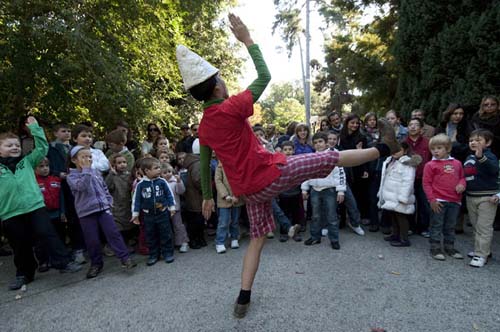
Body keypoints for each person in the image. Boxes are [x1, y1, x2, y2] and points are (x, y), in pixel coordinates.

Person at [176, 13, 399, 318]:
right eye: (221, 78)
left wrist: (206, 197)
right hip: (270, 174)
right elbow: (265, 76)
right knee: (328, 157)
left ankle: (243, 298)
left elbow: (203, 161)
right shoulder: (230, 107)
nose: (225, 80)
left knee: (256, 239)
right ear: (216, 87)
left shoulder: (204, 127)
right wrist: (247, 39)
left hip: (249, 191)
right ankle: (385, 148)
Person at [0, 117, 81, 290]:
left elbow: (42, 148)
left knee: (47, 233)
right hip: (10, 212)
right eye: (9, 145)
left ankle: (63, 263)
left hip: (34, 206)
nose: (14, 147)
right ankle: (24, 274)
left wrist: (35, 129)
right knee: (20, 244)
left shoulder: (27, 161)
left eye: (16, 145)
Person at [67, 145, 136, 278]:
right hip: (86, 212)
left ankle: (125, 258)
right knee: (92, 239)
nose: (88, 159)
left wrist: (108, 200)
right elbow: (82, 186)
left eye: (89, 157)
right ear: (74, 160)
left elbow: (103, 187)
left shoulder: (95, 173)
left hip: (103, 208)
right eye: (84, 157)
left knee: (113, 233)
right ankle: (96, 263)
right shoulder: (72, 176)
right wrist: (86, 170)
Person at [423, 134, 466, 260]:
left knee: (450, 225)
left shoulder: (457, 163)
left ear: (448, 148)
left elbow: (462, 178)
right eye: (433, 148)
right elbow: (426, 183)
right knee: (436, 225)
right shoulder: (430, 165)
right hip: (438, 201)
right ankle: (435, 248)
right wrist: (432, 200)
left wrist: (461, 184)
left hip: (454, 201)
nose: (435, 151)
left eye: (439, 148)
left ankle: (449, 247)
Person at [301, 132, 346, 250]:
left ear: (326, 143)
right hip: (315, 190)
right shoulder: (311, 157)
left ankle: (334, 239)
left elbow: (340, 174)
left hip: (329, 190)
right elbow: (306, 174)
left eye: (320, 142)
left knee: (331, 216)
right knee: (315, 216)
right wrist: (304, 189)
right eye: (315, 143)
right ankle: (315, 237)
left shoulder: (333, 156)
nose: (318, 145)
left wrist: (341, 191)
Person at [463, 129, 499, 268]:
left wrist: (480, 156)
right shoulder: (469, 157)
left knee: (484, 227)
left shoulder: (490, 156)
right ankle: (483, 250)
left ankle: (481, 254)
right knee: (476, 225)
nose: (474, 142)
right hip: (471, 196)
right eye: (471, 140)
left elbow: (493, 169)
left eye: (478, 140)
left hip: (487, 197)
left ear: (488, 143)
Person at [131, 157, 176, 265]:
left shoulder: (162, 181)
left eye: (159, 167)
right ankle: (153, 254)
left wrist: (172, 207)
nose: (159, 170)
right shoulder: (140, 185)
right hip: (148, 215)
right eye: (156, 168)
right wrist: (135, 214)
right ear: (147, 171)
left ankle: (167, 253)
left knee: (166, 234)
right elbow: (136, 200)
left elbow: (169, 195)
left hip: (162, 213)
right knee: (150, 235)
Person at [378, 142, 421, 247]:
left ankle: (404, 239)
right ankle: (395, 234)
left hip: (400, 195)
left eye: (399, 150)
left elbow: (408, 181)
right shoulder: (391, 160)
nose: (395, 152)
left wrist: (403, 197)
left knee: (401, 216)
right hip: (391, 194)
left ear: (405, 151)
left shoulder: (407, 163)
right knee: (393, 215)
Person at [34, 157, 66, 272]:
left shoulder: (56, 179)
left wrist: (63, 211)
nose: (45, 169)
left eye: (47, 166)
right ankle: (43, 261)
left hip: (57, 214)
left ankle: (60, 260)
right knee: (41, 240)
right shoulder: (33, 182)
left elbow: (61, 197)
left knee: (59, 236)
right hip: (43, 215)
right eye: (41, 166)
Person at [405, 118, 432, 237]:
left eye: (416, 125)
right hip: (407, 178)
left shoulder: (428, 143)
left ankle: (423, 228)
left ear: (421, 129)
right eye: (410, 124)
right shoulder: (403, 142)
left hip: (423, 177)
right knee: (409, 202)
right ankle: (410, 226)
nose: (413, 127)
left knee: (424, 203)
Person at [105, 153, 135, 250]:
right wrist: (111, 174)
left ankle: (127, 244)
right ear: (114, 165)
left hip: (128, 205)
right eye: (119, 163)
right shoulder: (112, 176)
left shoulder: (129, 175)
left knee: (128, 226)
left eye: (124, 162)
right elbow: (107, 187)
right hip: (117, 206)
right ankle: (118, 246)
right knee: (119, 228)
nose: (122, 164)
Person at [214, 161, 244, 253]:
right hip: (224, 199)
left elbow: (241, 179)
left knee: (235, 220)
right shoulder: (220, 166)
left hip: (236, 198)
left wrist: (237, 194)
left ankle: (234, 238)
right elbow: (218, 181)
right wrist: (225, 195)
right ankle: (220, 242)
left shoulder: (238, 164)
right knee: (223, 221)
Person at [160, 162, 189, 253]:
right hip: (164, 209)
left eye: (169, 171)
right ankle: (170, 243)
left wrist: (179, 182)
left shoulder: (175, 181)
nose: (168, 174)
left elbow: (181, 191)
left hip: (175, 208)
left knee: (178, 225)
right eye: (164, 173)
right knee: (166, 227)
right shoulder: (160, 183)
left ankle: (184, 242)